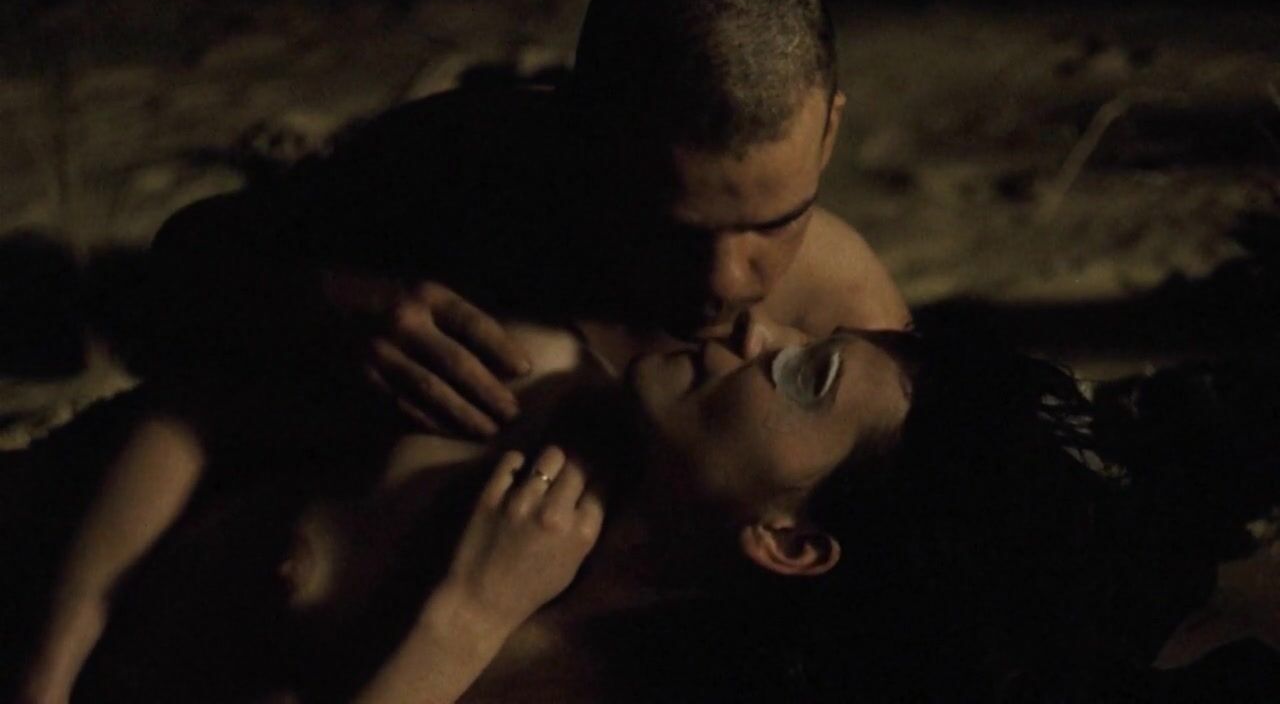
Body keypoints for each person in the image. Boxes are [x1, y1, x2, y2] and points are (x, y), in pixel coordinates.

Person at [20, 0, 913, 697]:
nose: (728, 284)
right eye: (671, 228)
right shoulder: (480, 168)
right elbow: (186, 288)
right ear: (587, 134)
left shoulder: (853, 324)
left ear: (830, 129)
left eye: (776, 222)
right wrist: (325, 303)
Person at [22, 310, 1280, 703]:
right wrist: (45, 671)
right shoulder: (538, 390)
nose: (756, 327)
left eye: (801, 376)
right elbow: (196, 416)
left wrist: (462, 622)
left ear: (791, 540)